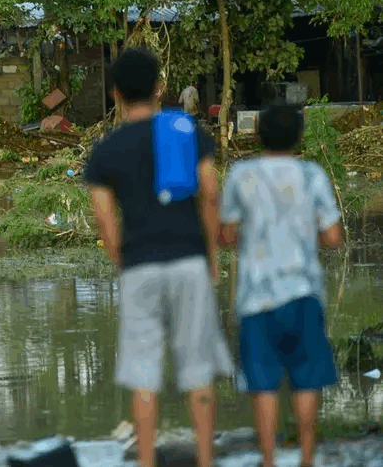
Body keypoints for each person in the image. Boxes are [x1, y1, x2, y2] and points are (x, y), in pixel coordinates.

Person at [85, 48, 234, 467]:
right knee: (199, 370)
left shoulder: (107, 149)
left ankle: (147, 461)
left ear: (115, 93)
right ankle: (206, 459)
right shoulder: (184, 130)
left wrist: (122, 260)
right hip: (188, 261)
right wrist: (211, 255)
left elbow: (103, 215)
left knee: (143, 376)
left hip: (139, 268)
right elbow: (209, 192)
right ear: (158, 87)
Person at [219, 104, 343, 467]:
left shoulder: (242, 174)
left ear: (258, 135)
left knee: (263, 381)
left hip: (256, 297)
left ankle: (269, 459)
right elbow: (333, 236)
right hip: (304, 293)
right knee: (306, 378)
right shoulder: (312, 175)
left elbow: (225, 234)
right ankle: (306, 457)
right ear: (299, 137)